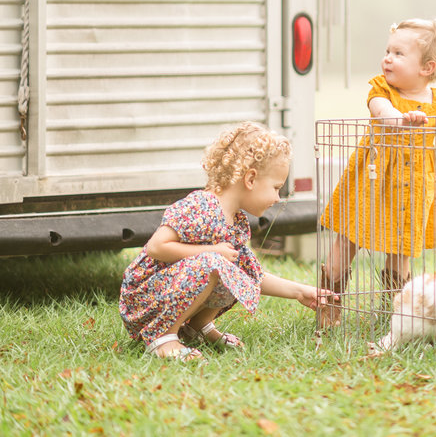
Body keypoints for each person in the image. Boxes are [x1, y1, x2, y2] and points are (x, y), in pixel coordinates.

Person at [119, 121, 332, 360]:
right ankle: (163, 338)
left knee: (233, 267)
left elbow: (252, 275)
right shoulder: (201, 206)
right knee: (213, 263)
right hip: (146, 299)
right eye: (276, 187)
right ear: (250, 179)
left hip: (173, 294)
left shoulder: (237, 223)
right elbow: (156, 247)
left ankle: (198, 327)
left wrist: (300, 291)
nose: (277, 197)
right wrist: (213, 251)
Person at [318, 18, 436, 326]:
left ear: (427, 68)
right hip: (373, 180)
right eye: (387, 51)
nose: (388, 58)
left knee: (401, 246)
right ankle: (329, 303)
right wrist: (404, 119)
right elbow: (383, 114)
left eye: (399, 54)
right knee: (349, 237)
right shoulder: (382, 90)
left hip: (416, 185)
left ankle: (397, 311)